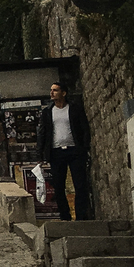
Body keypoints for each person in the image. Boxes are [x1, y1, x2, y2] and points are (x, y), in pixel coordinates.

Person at [38, 82, 93, 221]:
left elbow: (84, 128)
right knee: (58, 186)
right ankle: (65, 216)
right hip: (56, 152)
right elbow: (43, 132)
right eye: (51, 90)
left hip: (74, 150)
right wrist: (41, 152)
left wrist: (84, 147)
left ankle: (81, 216)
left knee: (80, 184)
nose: (52, 93)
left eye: (55, 90)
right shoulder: (47, 112)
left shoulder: (74, 109)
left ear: (63, 93)